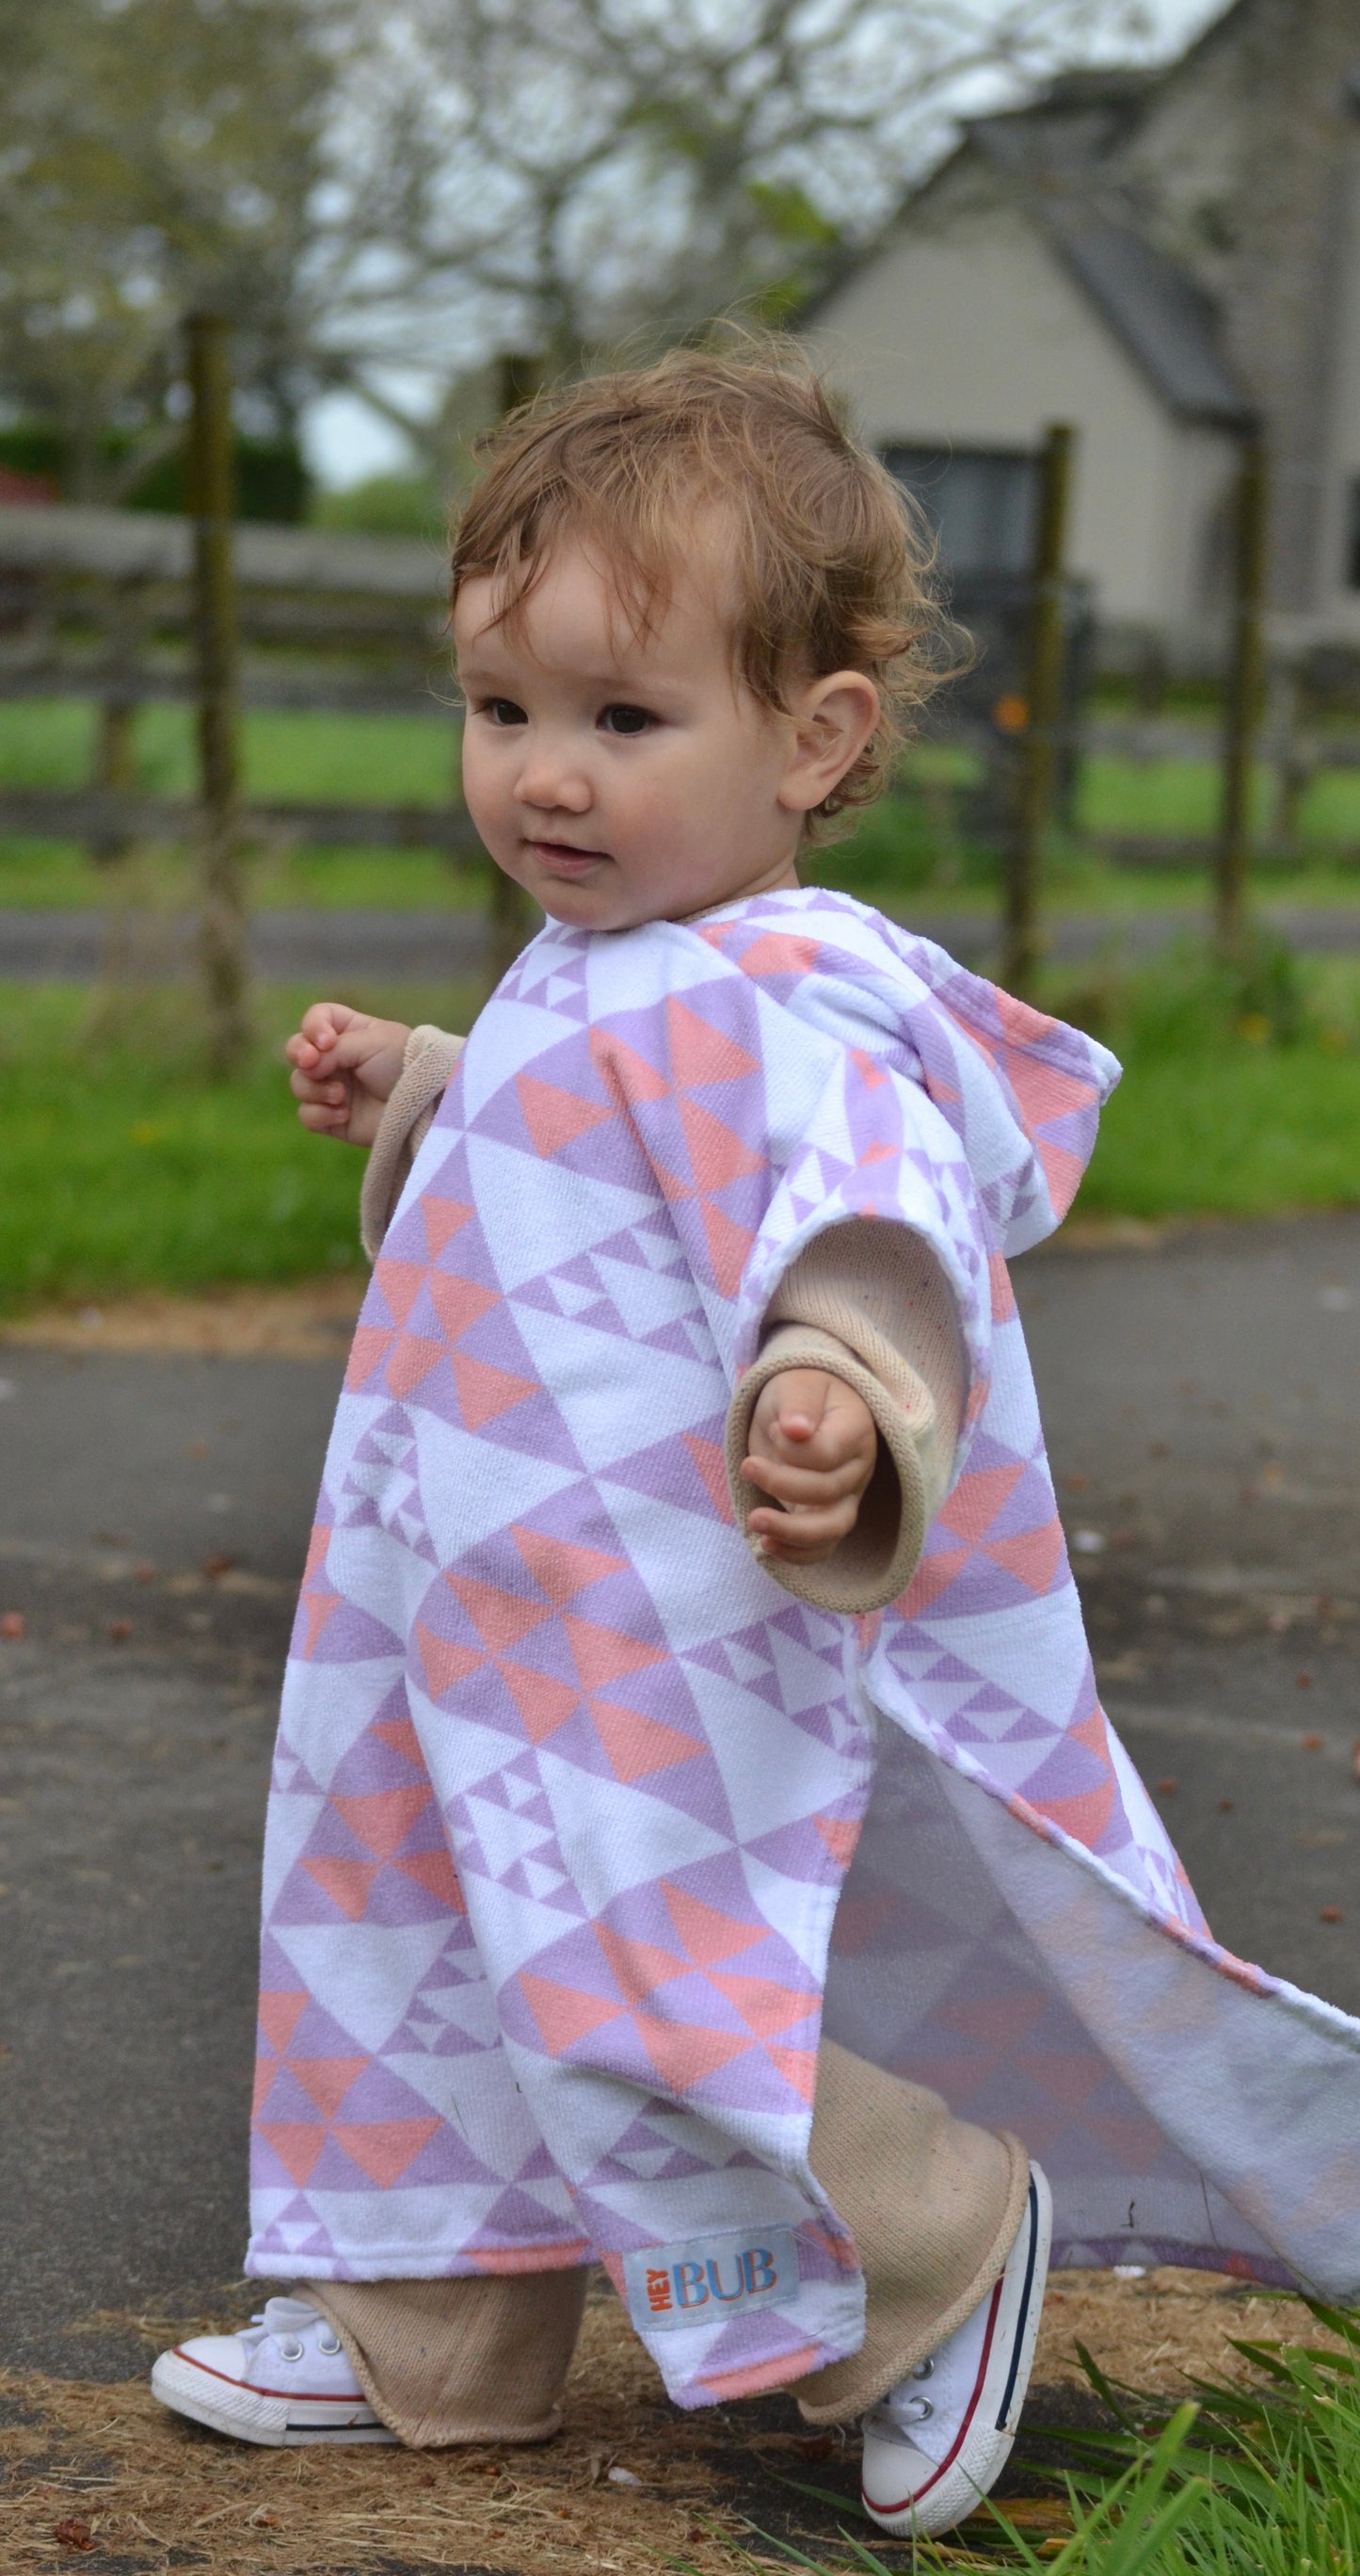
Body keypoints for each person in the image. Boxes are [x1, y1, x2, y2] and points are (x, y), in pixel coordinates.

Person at [152, 344, 1360, 2537]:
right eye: (501, 709)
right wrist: (427, 1084)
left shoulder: (789, 993)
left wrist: (836, 1387)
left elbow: (862, 1223)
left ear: (816, 745)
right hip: (446, 1587)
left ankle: (929, 2240)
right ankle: (416, 2323)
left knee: (635, 1956)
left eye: (625, 721)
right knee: (392, 1929)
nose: (545, 776)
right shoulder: (596, 964)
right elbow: (577, 1142)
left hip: (649, 1620)